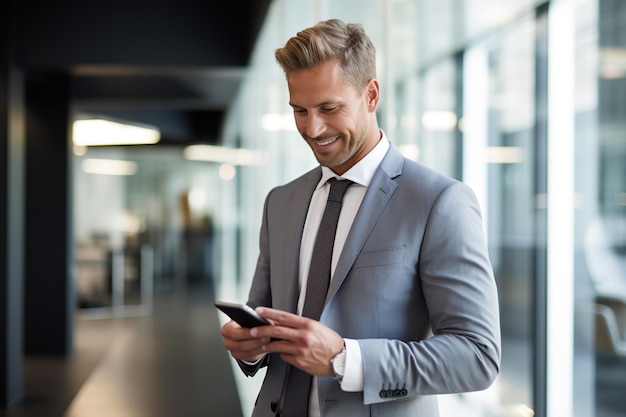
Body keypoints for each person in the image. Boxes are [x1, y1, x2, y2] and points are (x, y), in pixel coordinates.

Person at [219, 18, 501, 417]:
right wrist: (248, 347)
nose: (312, 128)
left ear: (371, 95)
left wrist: (344, 360)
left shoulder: (439, 201)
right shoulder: (280, 201)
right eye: (299, 110)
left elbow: (477, 356)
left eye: (329, 108)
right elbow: (264, 318)